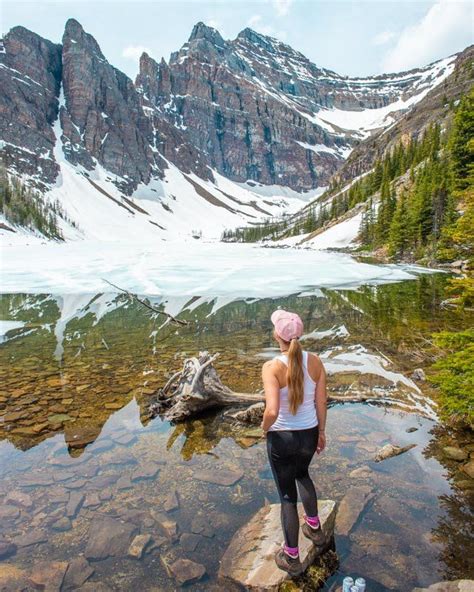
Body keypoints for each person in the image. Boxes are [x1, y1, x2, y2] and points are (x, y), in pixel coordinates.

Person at [260, 309, 327, 576]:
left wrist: (263, 430)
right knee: (303, 475)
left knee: (287, 495)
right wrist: (321, 432)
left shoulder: (272, 367)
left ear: (277, 334)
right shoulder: (316, 362)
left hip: (283, 437)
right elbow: (320, 402)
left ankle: (292, 557)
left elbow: (272, 412)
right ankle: (315, 529)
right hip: (308, 433)